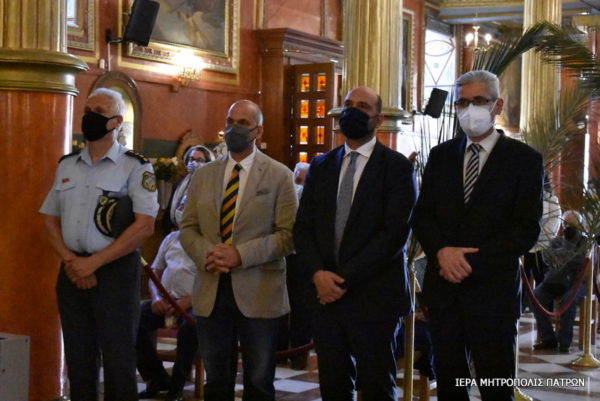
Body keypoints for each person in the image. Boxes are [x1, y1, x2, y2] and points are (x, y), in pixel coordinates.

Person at [410, 70, 544, 401]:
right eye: (462, 102)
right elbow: (423, 216)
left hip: (492, 293)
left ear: (497, 105)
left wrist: (469, 260)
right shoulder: (441, 156)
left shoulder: (524, 160)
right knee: (450, 386)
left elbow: (526, 228)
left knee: (495, 386)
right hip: (445, 291)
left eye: (479, 101)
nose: (470, 109)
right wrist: (442, 252)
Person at [293, 86, 417, 400]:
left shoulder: (397, 167)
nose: (352, 111)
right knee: (333, 384)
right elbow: (303, 228)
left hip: (374, 296)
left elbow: (393, 234)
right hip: (324, 296)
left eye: (362, 106)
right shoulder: (321, 165)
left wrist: (342, 279)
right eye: (348, 104)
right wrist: (318, 274)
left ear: (378, 119)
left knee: (376, 385)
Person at [39, 88, 159, 401]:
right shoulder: (68, 165)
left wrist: (93, 263)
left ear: (116, 121)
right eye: (86, 110)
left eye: (98, 112)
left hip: (115, 273)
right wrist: (72, 262)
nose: (89, 117)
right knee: (78, 361)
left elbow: (144, 226)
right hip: (72, 271)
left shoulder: (135, 166)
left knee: (118, 362)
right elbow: (49, 220)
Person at [180, 99, 298, 401]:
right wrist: (209, 254)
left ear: (258, 130)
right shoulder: (204, 175)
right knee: (217, 380)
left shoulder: (279, 175)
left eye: (243, 123)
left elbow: (287, 236)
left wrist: (240, 255)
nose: (234, 128)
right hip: (212, 287)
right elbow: (188, 227)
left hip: (259, 291)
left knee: (258, 382)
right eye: (230, 121)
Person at [136, 230, 198, 400]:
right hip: (165, 300)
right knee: (133, 319)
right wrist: (156, 297)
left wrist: (188, 301)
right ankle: (156, 378)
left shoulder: (209, 240)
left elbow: (214, 282)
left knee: (191, 329)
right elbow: (154, 273)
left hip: (194, 303)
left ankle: (177, 386)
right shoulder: (171, 238)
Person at [532, 210, 587, 353]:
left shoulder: (585, 242)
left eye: (572, 224)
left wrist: (564, 253)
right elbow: (548, 259)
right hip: (555, 280)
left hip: (577, 282)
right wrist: (567, 251)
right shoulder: (556, 241)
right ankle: (548, 339)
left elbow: (581, 262)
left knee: (568, 299)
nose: (568, 227)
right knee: (536, 296)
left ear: (579, 225)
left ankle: (564, 341)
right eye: (565, 224)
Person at [163, 145, 214, 234]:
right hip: (176, 232)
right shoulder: (179, 183)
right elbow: (169, 211)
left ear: (208, 163)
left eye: (200, 160)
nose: (194, 163)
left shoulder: (213, 186)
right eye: (191, 159)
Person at [523, 175, 561, 286]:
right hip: (524, 245)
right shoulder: (524, 196)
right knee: (523, 281)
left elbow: (555, 219)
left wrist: (538, 234)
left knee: (541, 280)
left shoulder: (551, 199)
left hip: (542, 246)